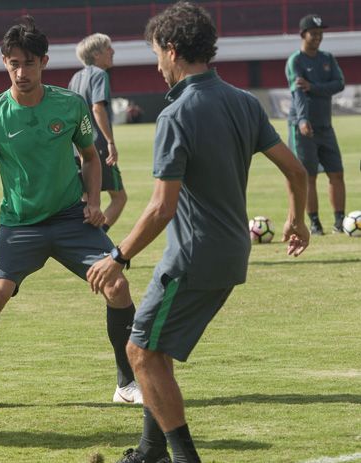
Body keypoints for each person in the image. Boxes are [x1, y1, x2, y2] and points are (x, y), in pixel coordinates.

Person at [85, 3, 309, 462]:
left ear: (172, 51)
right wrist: (297, 219)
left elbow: (161, 208)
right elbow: (296, 170)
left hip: (191, 256)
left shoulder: (175, 115)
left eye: (156, 55)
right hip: (231, 254)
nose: (156, 65)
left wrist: (118, 256)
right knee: (156, 349)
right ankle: (151, 452)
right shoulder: (244, 101)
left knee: (141, 353)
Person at [0, 16, 143, 413]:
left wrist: (93, 201)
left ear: (43, 62)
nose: (21, 71)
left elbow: (91, 157)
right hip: (19, 224)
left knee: (117, 287)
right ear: (4, 62)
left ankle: (126, 382)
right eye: (13, 63)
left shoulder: (70, 105)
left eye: (28, 63)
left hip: (69, 220)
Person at [286, 14, 346, 235]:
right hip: (303, 127)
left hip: (325, 126)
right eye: (314, 33)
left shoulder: (328, 58)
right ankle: (314, 223)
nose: (319, 37)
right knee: (308, 176)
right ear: (303, 35)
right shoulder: (296, 61)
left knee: (336, 173)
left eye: (321, 33)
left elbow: (339, 84)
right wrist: (302, 119)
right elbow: (298, 93)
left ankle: (340, 222)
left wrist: (313, 86)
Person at [68, 33, 127, 232]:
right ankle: (98, 238)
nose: (113, 52)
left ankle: (86, 242)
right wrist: (110, 141)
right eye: (108, 48)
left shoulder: (75, 78)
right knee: (119, 197)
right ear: (96, 54)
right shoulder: (99, 75)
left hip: (77, 147)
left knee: (87, 200)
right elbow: (97, 108)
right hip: (97, 145)